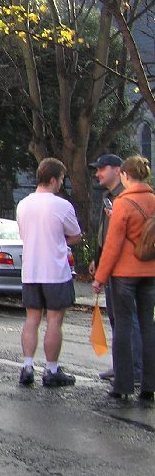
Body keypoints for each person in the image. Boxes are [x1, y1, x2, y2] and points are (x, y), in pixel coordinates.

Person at [91, 155, 155, 401]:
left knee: (124, 327)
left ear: (125, 175)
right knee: (148, 326)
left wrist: (100, 277)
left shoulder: (123, 203)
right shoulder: (153, 200)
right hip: (150, 272)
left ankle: (124, 384)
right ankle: (149, 385)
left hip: (125, 274)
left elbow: (113, 245)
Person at [15, 158, 81, 388]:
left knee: (32, 319)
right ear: (53, 179)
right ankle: (51, 369)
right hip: (55, 271)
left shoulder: (23, 204)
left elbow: (23, 234)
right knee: (54, 320)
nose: (62, 183)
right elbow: (75, 235)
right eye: (61, 178)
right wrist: (59, 240)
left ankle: (27, 366)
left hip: (30, 270)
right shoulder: (62, 205)